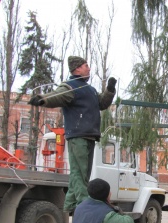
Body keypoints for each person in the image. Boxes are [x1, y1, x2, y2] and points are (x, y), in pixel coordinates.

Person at [28, 56, 117, 214]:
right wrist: (43, 99)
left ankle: (69, 204)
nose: (89, 68)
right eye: (86, 65)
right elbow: (57, 96)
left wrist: (110, 90)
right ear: (77, 69)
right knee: (78, 172)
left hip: (89, 136)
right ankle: (84, 204)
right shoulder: (70, 87)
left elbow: (102, 104)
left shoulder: (89, 89)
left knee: (83, 174)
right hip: (78, 136)